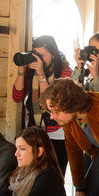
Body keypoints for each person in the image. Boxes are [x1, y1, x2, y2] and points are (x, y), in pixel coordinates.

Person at [12, 35, 72, 171]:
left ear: (53, 55)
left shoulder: (65, 72)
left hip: (58, 133)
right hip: (36, 132)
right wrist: (21, 72)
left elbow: (51, 103)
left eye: (43, 55)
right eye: (36, 54)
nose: (39, 59)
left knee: (55, 173)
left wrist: (41, 74)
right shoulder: (30, 72)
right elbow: (17, 97)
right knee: (35, 173)